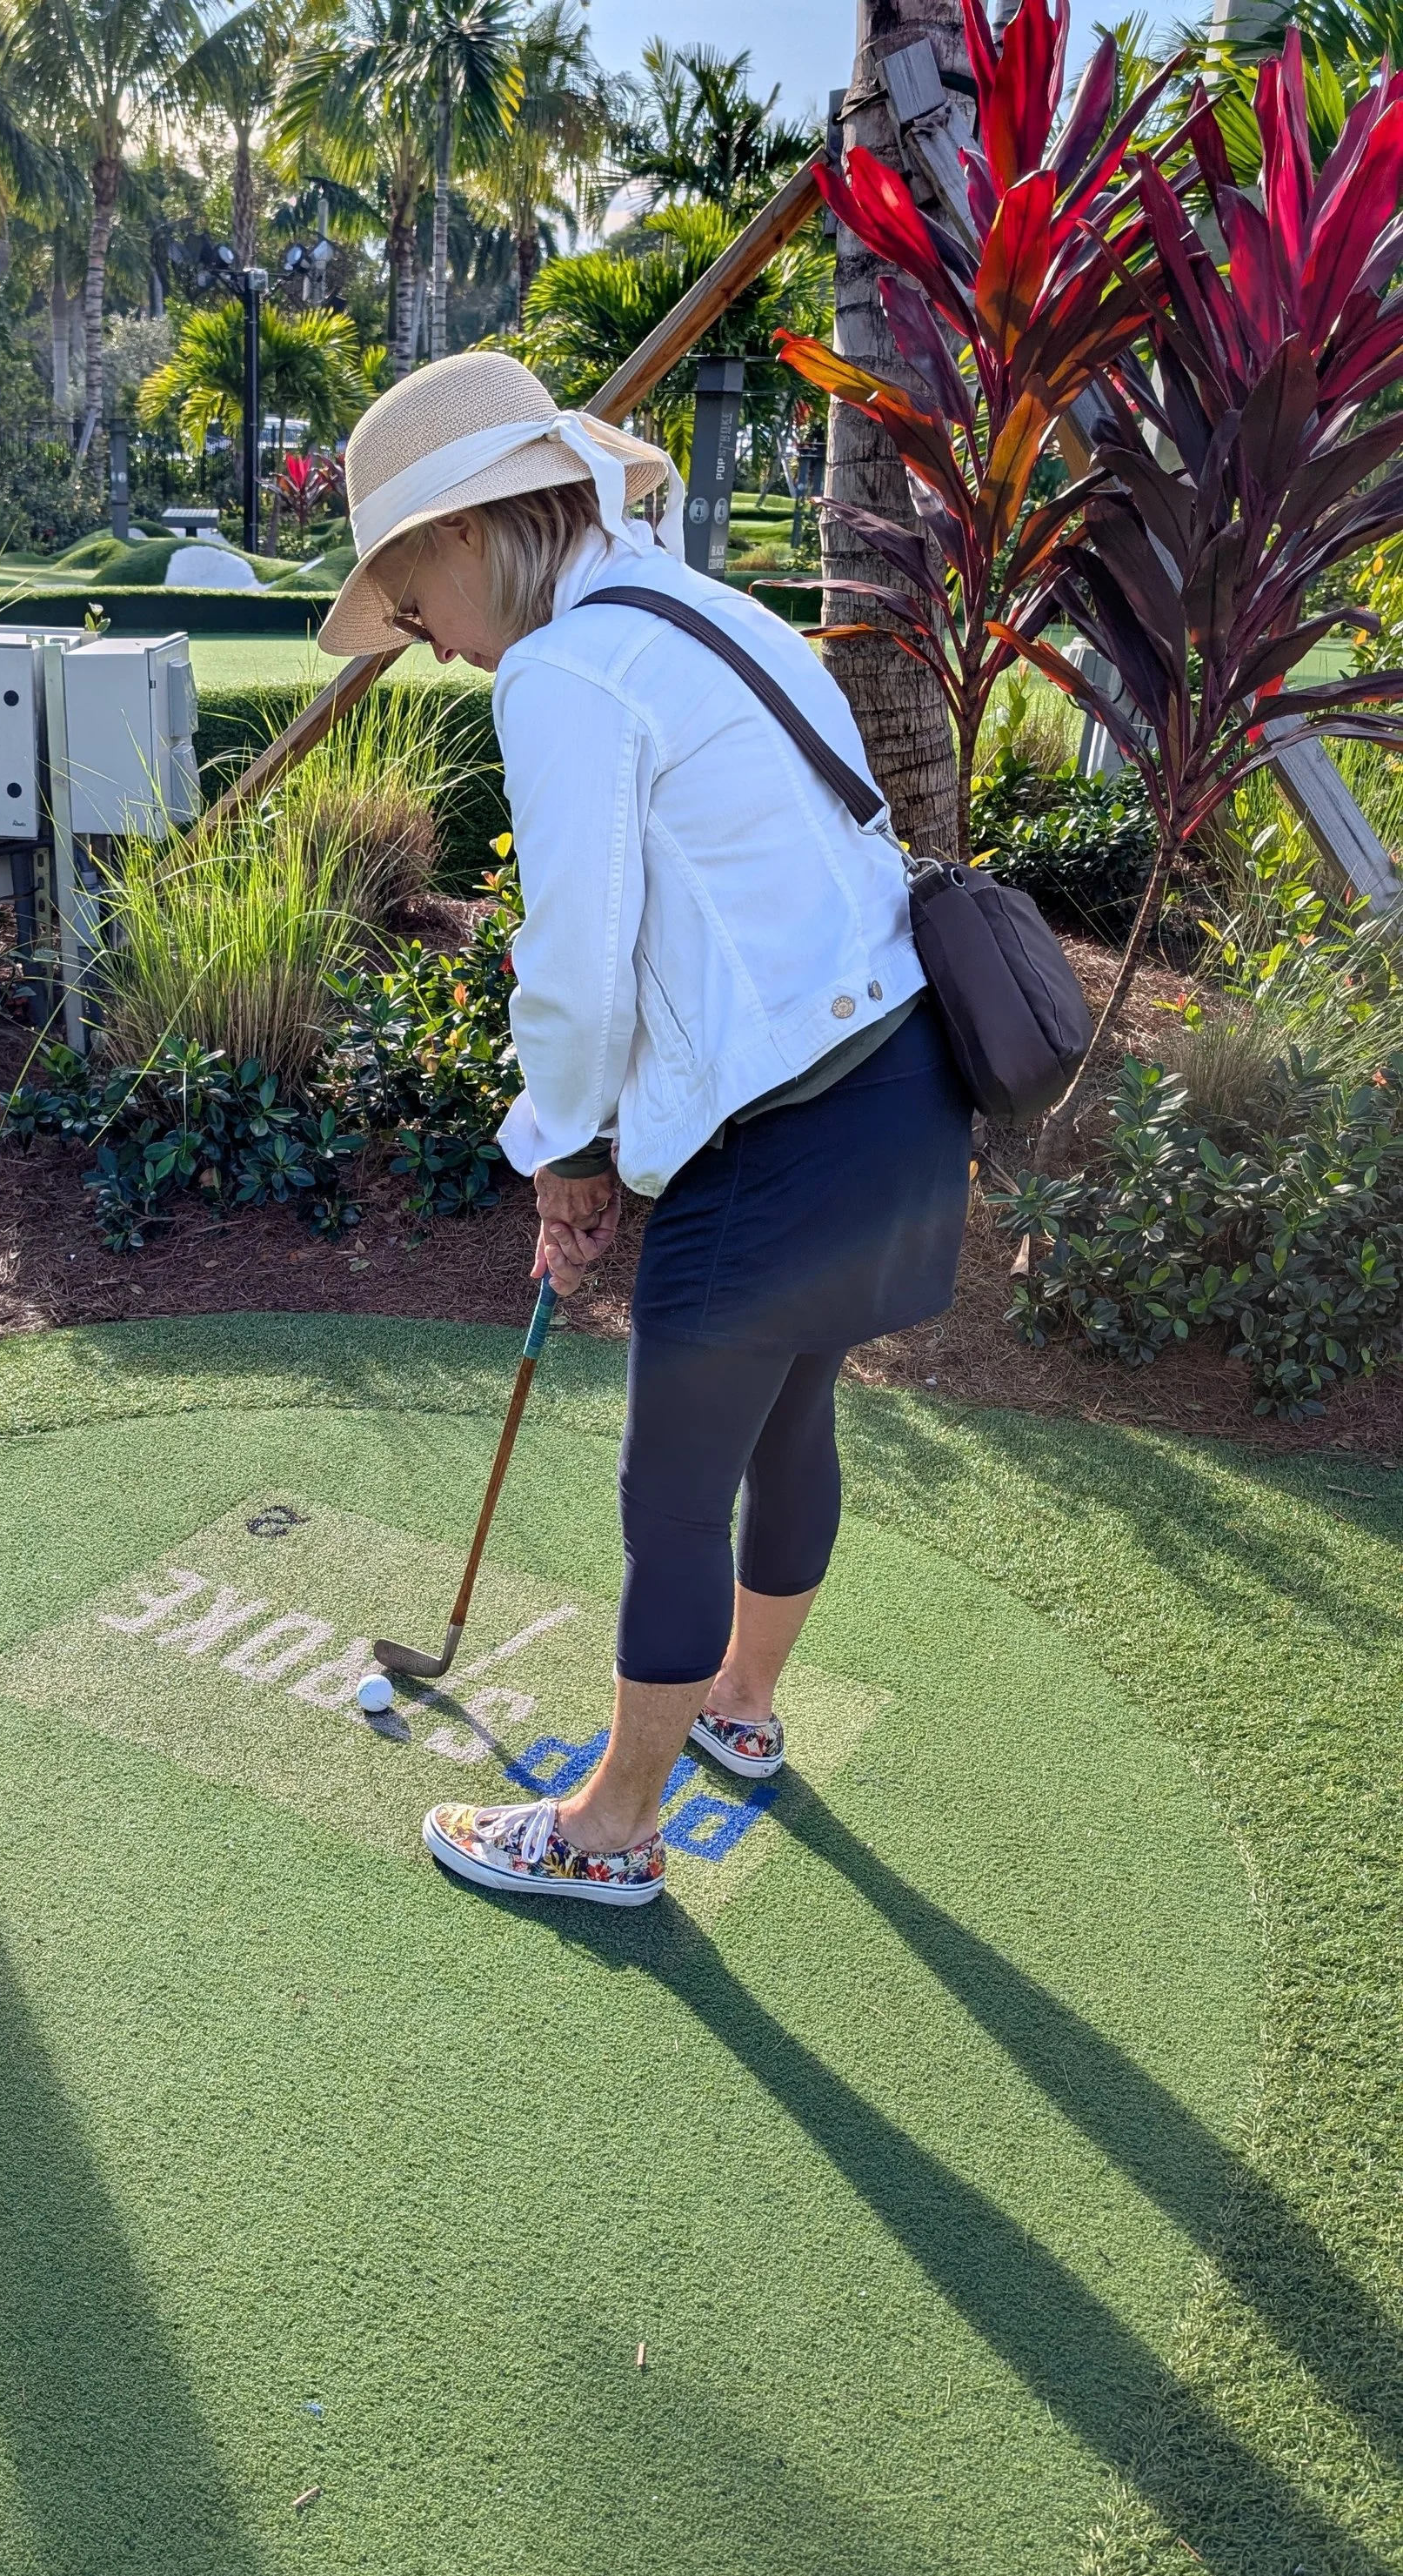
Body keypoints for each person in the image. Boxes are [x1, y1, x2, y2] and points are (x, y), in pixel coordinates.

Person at [317, 352, 972, 1910]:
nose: (438, 650)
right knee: (790, 1421)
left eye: (412, 609)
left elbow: (576, 965)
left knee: (672, 1491)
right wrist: (606, 1137)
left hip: (787, 1138)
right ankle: (738, 1711)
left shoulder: (564, 672)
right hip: (899, 1093)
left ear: (469, 537)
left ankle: (609, 1827)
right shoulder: (708, 612)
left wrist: (562, 1150)